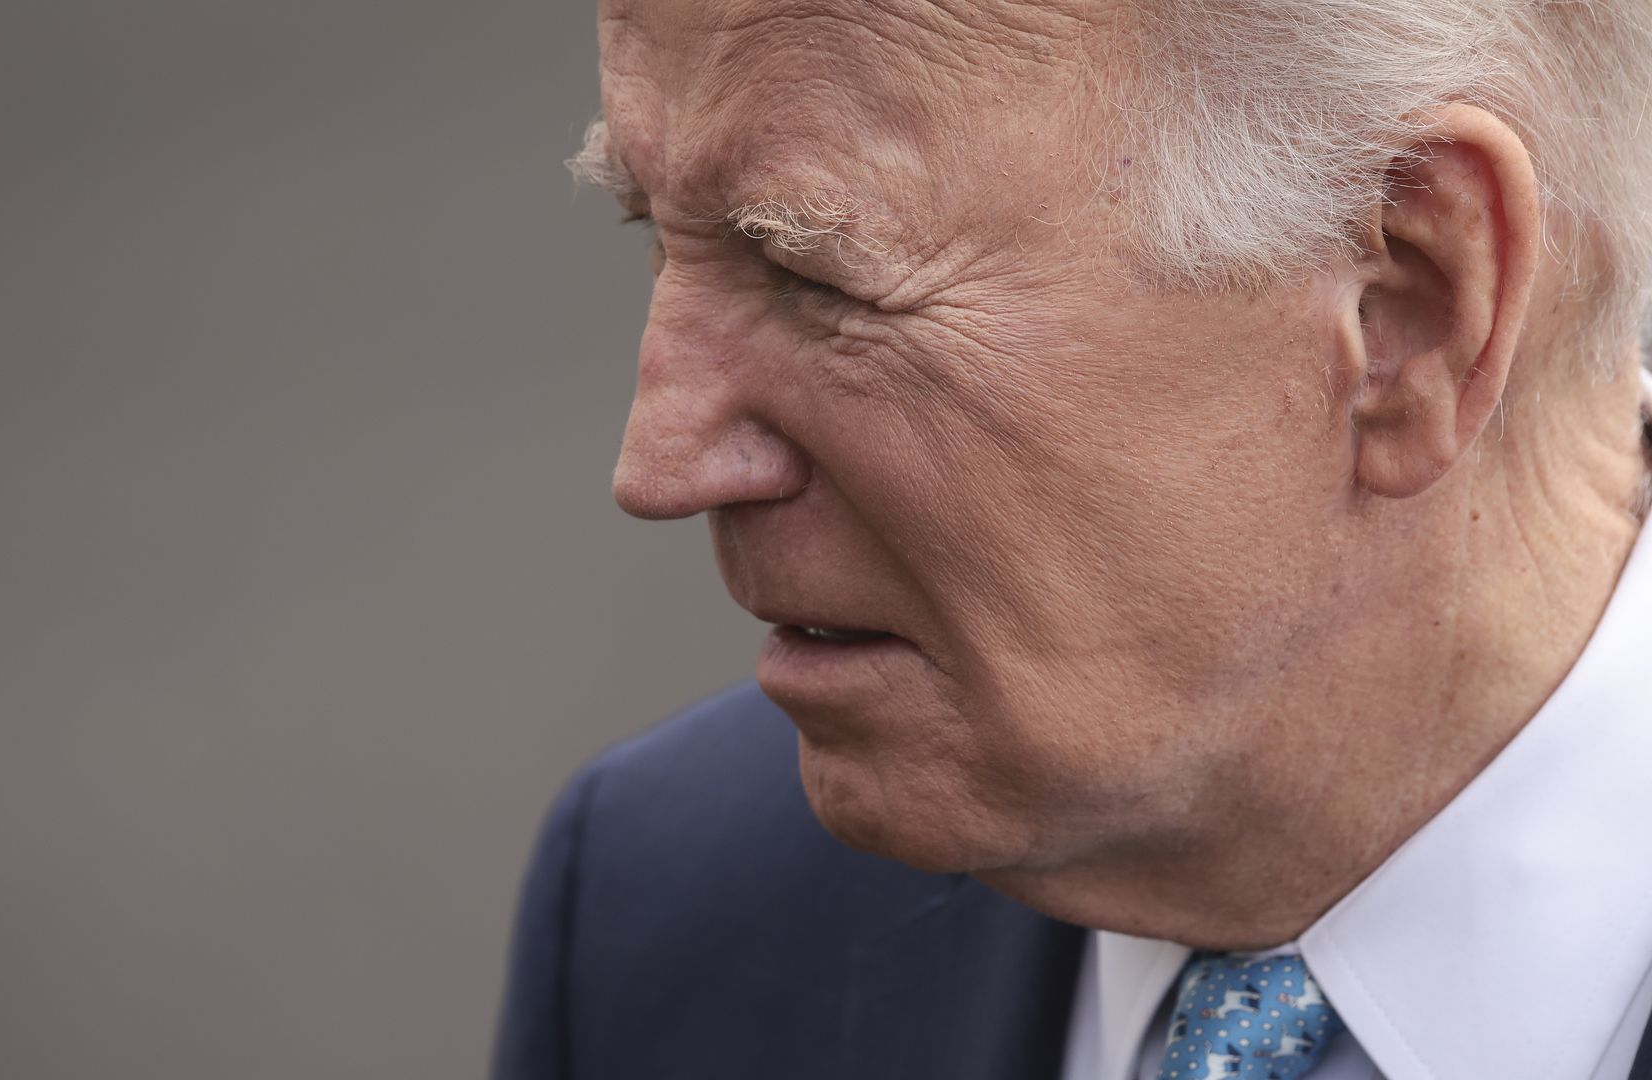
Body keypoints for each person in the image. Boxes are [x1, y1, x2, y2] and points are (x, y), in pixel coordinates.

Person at [493, 1, 1652, 1077]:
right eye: (655, 231)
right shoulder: (669, 911)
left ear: (1408, 304)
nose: (660, 465)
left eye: (810, 274)